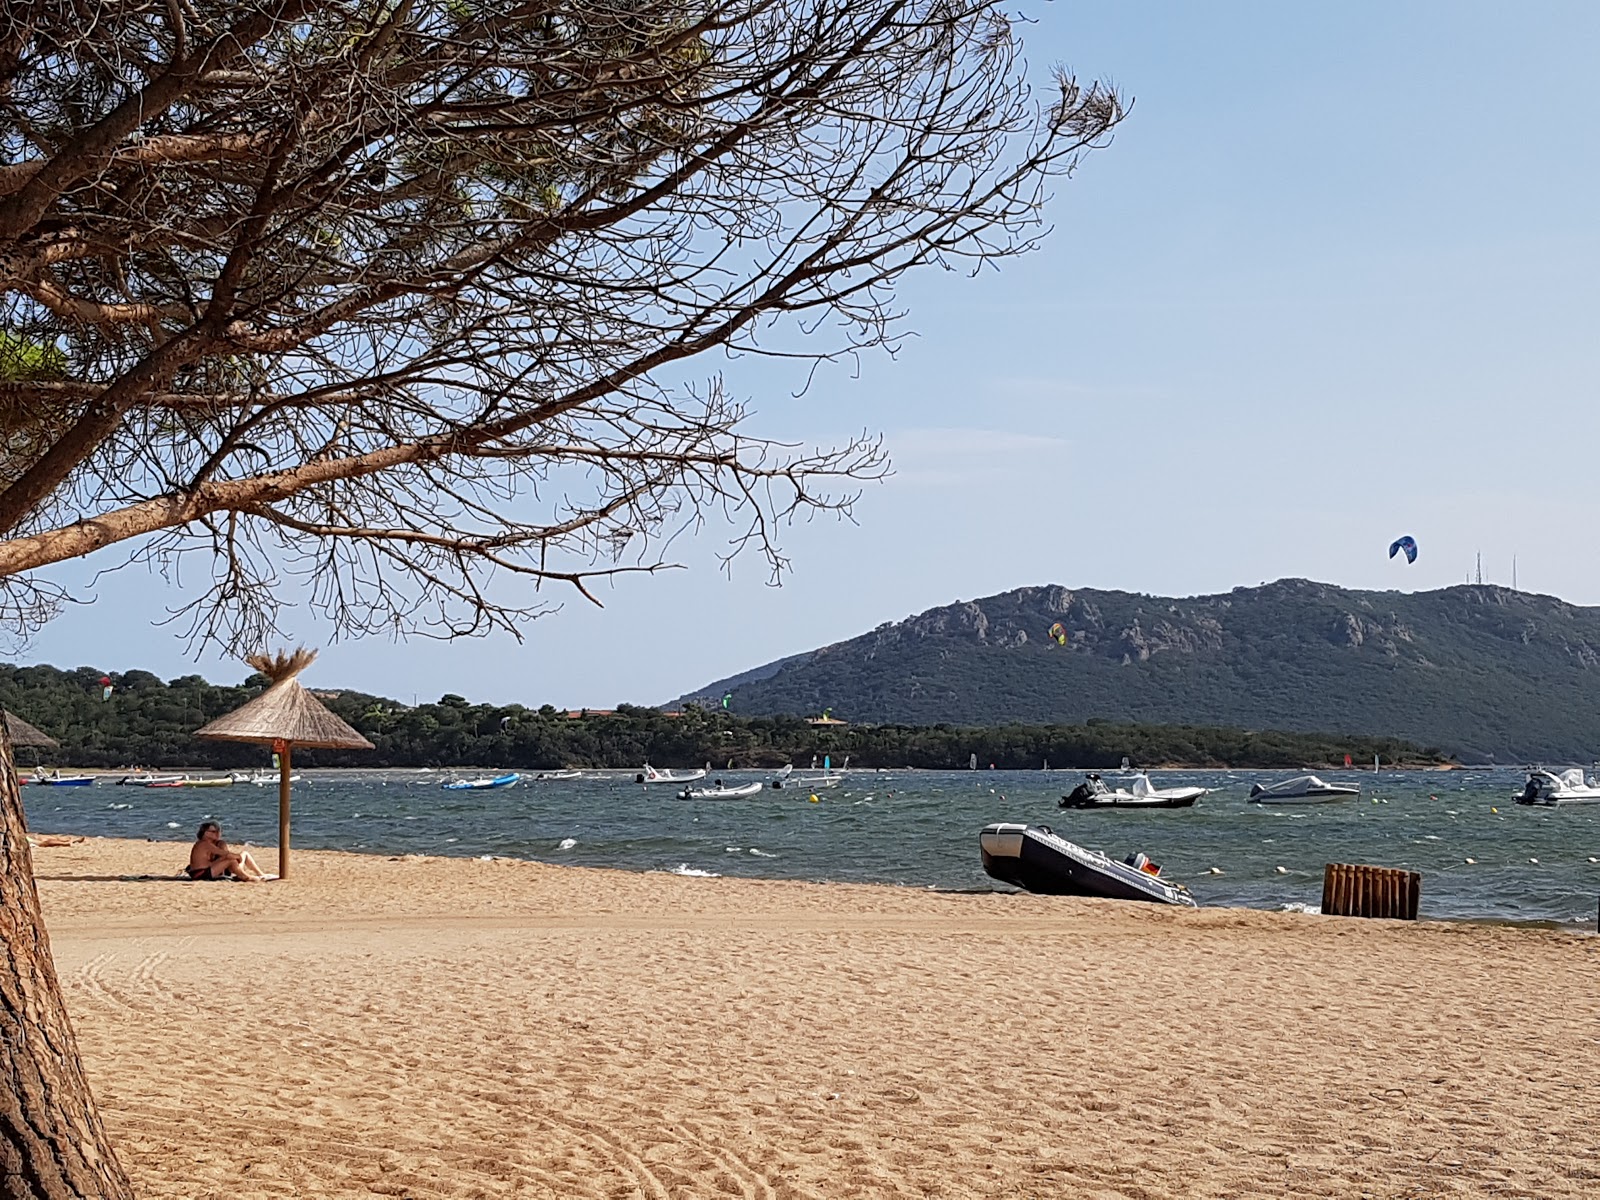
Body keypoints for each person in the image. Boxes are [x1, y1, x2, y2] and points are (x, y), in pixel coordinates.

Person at [186, 822, 271, 882]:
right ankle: (244, 876)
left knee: (244, 854)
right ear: (205, 833)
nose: (217, 833)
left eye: (218, 831)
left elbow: (223, 855)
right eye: (213, 831)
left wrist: (235, 856)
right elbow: (226, 854)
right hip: (201, 873)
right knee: (231, 859)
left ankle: (260, 873)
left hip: (209, 869)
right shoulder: (204, 843)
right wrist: (237, 857)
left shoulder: (215, 843)